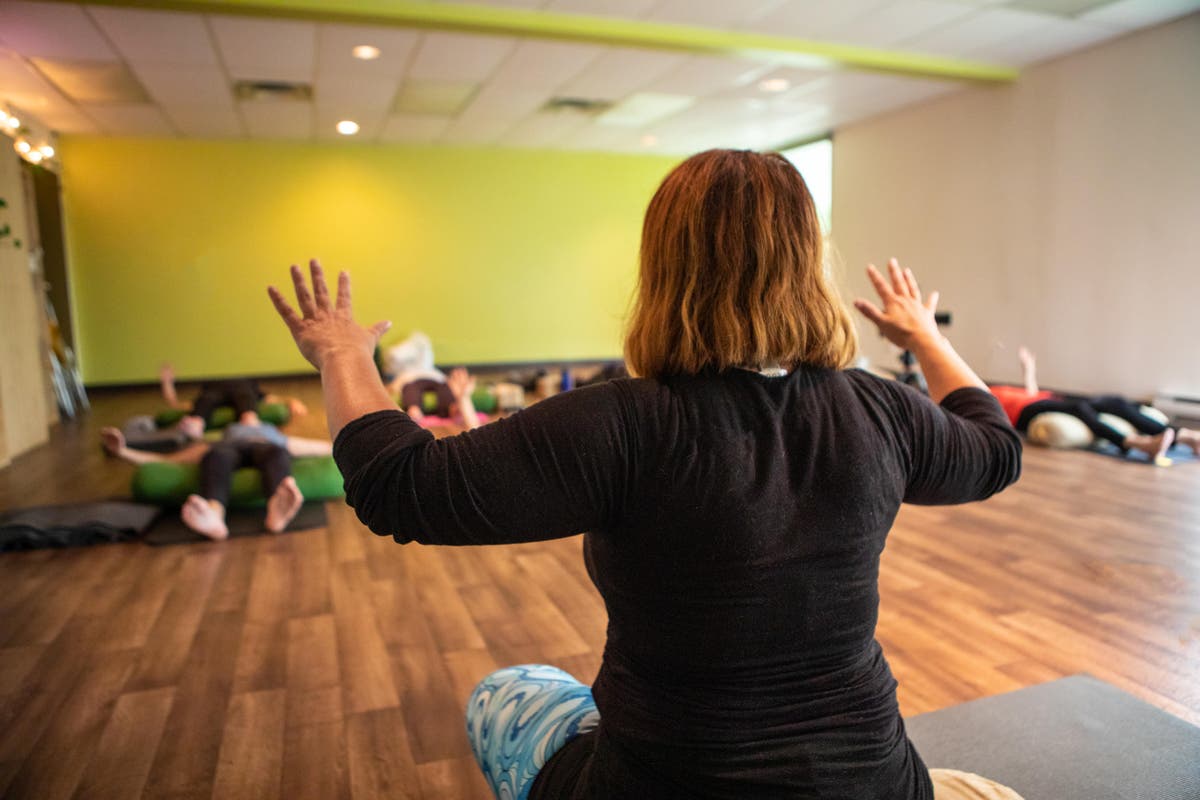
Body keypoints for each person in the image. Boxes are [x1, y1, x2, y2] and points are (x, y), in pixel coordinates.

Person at [268, 150, 1024, 799]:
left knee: (507, 692)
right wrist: (923, 335)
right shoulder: (881, 410)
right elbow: (995, 448)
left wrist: (342, 357)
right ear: (807, 264)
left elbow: (398, 484)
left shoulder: (622, 422)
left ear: (664, 267)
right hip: (876, 786)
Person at [101, 411, 331, 540]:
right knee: (215, 457)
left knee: (278, 452)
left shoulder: (274, 436)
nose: (247, 416)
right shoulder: (222, 438)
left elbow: (322, 447)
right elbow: (166, 461)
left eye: (253, 415)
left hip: (266, 447)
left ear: (263, 422)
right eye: (242, 417)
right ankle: (214, 515)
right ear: (232, 424)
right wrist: (121, 451)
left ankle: (276, 510)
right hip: (227, 450)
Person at [989, 347, 1198, 460]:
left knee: (1113, 402)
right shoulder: (982, 395)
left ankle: (1185, 437)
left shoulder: (999, 388)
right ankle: (1135, 443)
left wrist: (1028, 370)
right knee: (1079, 408)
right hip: (1024, 413)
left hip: (1042, 399)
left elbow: (1031, 392)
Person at [159, 362, 308, 438]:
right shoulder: (211, 385)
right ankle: (196, 422)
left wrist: (292, 401)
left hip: (243, 389)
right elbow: (177, 404)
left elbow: (273, 399)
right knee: (207, 400)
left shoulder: (247, 385)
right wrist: (167, 384)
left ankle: (249, 418)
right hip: (213, 390)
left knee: (245, 396)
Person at [381, 332, 482, 430]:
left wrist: (462, 399)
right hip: (413, 379)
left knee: (443, 387)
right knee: (411, 388)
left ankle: (452, 408)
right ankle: (414, 409)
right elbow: (394, 385)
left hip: (433, 378)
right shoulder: (405, 373)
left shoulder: (428, 367)